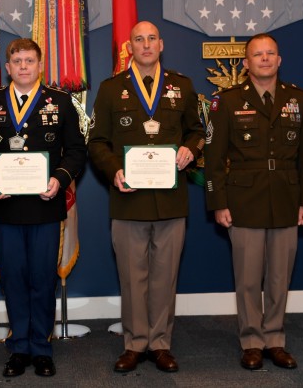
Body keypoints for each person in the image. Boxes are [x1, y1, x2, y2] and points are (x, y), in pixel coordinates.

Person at [88, 21, 205, 373]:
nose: (146, 44)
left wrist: (190, 149)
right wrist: (115, 171)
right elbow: (97, 142)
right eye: (139, 39)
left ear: (161, 44)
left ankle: (161, 344)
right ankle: (135, 343)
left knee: (165, 275)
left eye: (152, 38)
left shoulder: (182, 86)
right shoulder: (111, 89)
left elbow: (198, 131)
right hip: (129, 198)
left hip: (170, 199)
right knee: (131, 275)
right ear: (131, 47)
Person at [0, 38, 86, 378]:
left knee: (42, 279)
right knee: (15, 280)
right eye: (16, 61)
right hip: (5, 208)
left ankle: (42, 348)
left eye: (29, 60)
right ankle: (19, 347)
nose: (23, 66)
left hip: (45, 206)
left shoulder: (61, 101)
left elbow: (76, 150)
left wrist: (60, 180)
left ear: (39, 64)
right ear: (7, 67)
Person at [204, 33, 303, 370]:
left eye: (271, 53)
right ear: (246, 63)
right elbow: (213, 159)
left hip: (286, 197)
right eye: (258, 54)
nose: (265, 59)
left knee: (280, 277)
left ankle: (275, 339)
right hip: (243, 200)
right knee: (249, 278)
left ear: (279, 60)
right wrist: (218, 203)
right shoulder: (226, 101)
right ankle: (252, 341)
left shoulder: (299, 98)